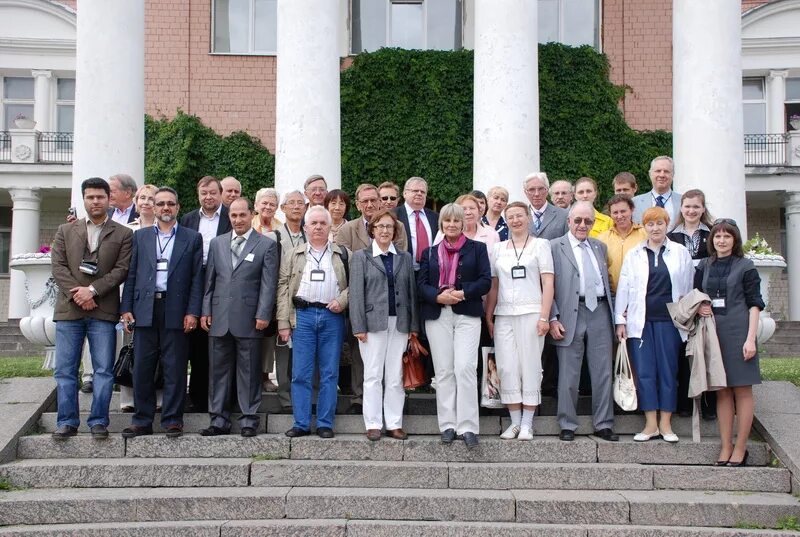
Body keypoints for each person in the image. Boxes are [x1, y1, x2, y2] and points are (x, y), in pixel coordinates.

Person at [50, 177, 133, 439]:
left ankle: (99, 421)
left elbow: (121, 270)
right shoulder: (65, 230)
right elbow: (58, 266)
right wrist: (79, 293)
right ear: (83, 200)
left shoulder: (123, 234)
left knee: (103, 370)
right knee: (65, 370)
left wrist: (93, 290)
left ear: (109, 199)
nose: (95, 201)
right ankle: (67, 422)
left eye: (100, 197)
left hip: (102, 309)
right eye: (90, 197)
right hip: (69, 310)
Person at [120, 187, 204, 439]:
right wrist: (126, 308)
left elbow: (196, 279)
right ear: (153, 208)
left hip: (177, 309)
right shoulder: (141, 237)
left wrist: (193, 311)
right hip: (145, 308)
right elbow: (131, 274)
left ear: (178, 207)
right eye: (161, 204)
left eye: (170, 203)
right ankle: (142, 420)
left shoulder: (192, 237)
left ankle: (172, 419)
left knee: (175, 366)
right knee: (143, 366)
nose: (166, 208)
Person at [200, 197, 278, 437]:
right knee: (218, 372)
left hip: (250, 318)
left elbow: (268, 284)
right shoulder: (217, 243)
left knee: (249, 371)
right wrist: (206, 310)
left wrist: (263, 313)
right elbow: (210, 281)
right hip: (219, 317)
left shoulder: (266, 244)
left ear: (251, 214)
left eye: (242, 215)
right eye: (233, 216)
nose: (237, 220)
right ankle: (219, 419)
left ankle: (248, 419)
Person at [614, 207, 693, 443]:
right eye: (650, 224)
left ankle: (666, 424)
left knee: (668, 372)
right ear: (644, 227)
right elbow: (624, 288)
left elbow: (688, 288)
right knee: (645, 373)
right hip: (641, 322)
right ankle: (650, 424)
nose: (655, 228)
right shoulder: (635, 254)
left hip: (670, 322)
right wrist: (620, 320)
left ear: (667, 224)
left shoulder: (680, 253)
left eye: (660, 223)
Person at [418, 204, 491, 450]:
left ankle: (468, 426)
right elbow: (422, 285)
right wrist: (438, 297)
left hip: (467, 313)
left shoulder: (477, 249)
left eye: (456, 221)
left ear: (463, 224)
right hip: (438, 315)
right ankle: (447, 425)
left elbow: (485, 281)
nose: (451, 225)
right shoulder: (429, 253)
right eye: (447, 221)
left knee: (466, 368)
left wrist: (461, 293)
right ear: (442, 224)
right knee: (444, 371)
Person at [695, 219, 764, 467]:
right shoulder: (704, 265)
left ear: (735, 240)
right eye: (717, 236)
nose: (721, 240)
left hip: (739, 331)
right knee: (722, 391)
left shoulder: (746, 266)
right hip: (714, 332)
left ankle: (741, 447)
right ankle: (726, 446)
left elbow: (755, 303)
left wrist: (750, 339)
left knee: (742, 390)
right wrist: (701, 305)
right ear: (711, 240)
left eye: (726, 236)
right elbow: (697, 295)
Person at [548, 201, 618, 442]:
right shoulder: (554, 247)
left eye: (588, 221)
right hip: (570, 312)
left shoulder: (599, 246)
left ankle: (604, 423)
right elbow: (546, 286)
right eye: (577, 220)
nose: (582, 225)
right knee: (568, 374)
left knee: (603, 372)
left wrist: (616, 317)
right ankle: (567, 423)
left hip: (599, 310)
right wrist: (552, 317)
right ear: (569, 221)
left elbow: (606, 282)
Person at [278, 206, 349, 439]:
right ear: (305, 227)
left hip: (332, 315)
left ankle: (325, 423)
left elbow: (355, 286)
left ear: (330, 227)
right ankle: (300, 422)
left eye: (323, 223)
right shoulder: (293, 254)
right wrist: (283, 322)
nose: (318, 227)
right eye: (314, 223)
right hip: (303, 316)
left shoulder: (343, 254)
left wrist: (342, 300)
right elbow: (283, 288)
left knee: (329, 373)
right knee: (300, 373)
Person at [484, 202, 554, 441]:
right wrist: (489, 315)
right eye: (511, 217)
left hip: (532, 312)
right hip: (504, 314)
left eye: (519, 216)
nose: (515, 220)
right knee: (506, 367)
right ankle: (514, 423)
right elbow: (494, 285)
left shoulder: (541, 245)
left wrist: (545, 316)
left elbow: (548, 283)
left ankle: (527, 423)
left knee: (530, 366)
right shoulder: (499, 248)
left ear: (527, 218)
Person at [336, 184, 408, 414]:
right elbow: (345, 269)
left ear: (380, 201)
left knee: (393, 369)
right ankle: (363, 404)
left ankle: (392, 413)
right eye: (364, 201)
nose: (369, 204)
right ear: (357, 205)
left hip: (395, 310)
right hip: (361, 302)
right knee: (366, 364)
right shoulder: (347, 230)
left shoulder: (398, 228)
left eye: (373, 200)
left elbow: (403, 268)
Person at [349, 209, 418, 441]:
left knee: (395, 375)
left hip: (400, 323)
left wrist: (413, 326)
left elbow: (411, 294)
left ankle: (394, 423)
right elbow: (356, 294)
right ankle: (373, 423)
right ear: (373, 230)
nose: (385, 230)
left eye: (389, 227)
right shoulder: (361, 257)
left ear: (395, 231)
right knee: (373, 374)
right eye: (380, 226)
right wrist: (358, 326)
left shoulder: (404, 258)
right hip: (371, 324)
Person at [179, 176, 232, 413]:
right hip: (194, 280)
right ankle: (198, 398)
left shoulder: (232, 216)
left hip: (224, 281)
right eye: (204, 193)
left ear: (220, 194)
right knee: (197, 343)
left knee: (220, 341)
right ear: (198, 194)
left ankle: (223, 400)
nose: (208, 197)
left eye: (212, 192)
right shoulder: (188, 219)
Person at [668, 189, 716, 419]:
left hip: (705, 303)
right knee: (682, 354)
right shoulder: (671, 236)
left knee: (706, 353)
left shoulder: (713, 235)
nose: (691, 211)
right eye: (687, 206)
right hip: (682, 303)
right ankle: (684, 404)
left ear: (703, 209)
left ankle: (708, 405)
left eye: (696, 207)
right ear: (681, 208)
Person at [119, 184, 160, 413]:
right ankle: (128, 399)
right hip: (131, 294)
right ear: (135, 202)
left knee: (159, 350)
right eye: (142, 197)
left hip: (157, 297)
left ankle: (159, 396)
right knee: (130, 348)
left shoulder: (165, 229)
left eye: (151, 198)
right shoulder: (126, 230)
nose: (146, 202)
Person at [266, 191, 308, 412]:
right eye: (291, 203)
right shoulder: (274, 237)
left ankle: (304, 395)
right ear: (282, 208)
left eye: (300, 203)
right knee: (283, 350)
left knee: (303, 351)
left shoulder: (310, 235)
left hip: (305, 300)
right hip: (281, 299)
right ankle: (285, 397)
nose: (295, 207)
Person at [251, 187, 282, 392]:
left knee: (268, 335)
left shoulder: (282, 228)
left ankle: (264, 375)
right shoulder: (248, 224)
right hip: (250, 286)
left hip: (272, 286)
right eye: (264, 203)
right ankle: (250, 377)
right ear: (256, 205)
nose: (268, 207)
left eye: (272, 204)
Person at [597, 194, 646, 295]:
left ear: (632, 210)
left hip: (641, 294)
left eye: (623, 211)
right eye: (615, 212)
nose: (619, 216)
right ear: (610, 214)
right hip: (612, 296)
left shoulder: (645, 234)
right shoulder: (602, 238)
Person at [395, 177, 438, 271]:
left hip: (430, 272)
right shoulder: (393, 215)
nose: (419, 193)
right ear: (405, 193)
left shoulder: (435, 217)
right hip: (402, 270)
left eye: (422, 192)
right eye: (415, 190)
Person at [435, 194, 499, 252]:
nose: (468, 212)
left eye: (472, 208)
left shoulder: (491, 234)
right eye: (463, 209)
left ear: (478, 211)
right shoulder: (443, 233)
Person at [632, 156, 682, 225]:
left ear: (673, 174)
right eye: (658, 171)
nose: (662, 175)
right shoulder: (634, 203)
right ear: (650, 174)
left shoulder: (683, 202)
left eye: (666, 171)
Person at [524, 172, 568, 240]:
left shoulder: (564, 215)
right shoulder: (519, 216)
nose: (536, 194)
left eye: (541, 189)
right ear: (525, 193)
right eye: (531, 189)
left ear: (547, 190)